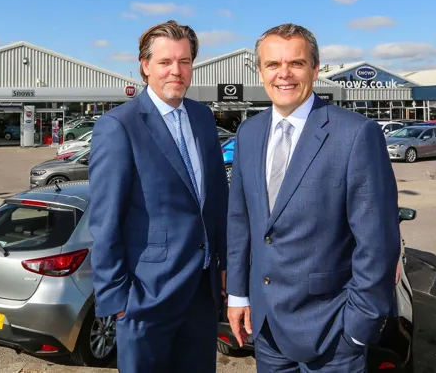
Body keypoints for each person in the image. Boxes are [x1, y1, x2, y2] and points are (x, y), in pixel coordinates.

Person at [226, 23, 401, 373]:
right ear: (260, 71)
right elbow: (240, 220)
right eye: (273, 65)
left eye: (296, 63)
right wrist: (238, 295)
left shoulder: (355, 134)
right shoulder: (248, 132)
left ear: (315, 69)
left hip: (332, 332)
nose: (284, 74)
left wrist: (357, 328)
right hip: (266, 328)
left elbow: (378, 243)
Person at [89, 20, 229, 373]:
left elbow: (216, 202)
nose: (176, 71)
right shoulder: (119, 126)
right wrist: (117, 300)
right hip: (146, 298)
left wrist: (225, 266)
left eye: (184, 62)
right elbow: (105, 221)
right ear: (145, 66)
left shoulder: (201, 117)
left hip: (201, 292)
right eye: (165, 62)